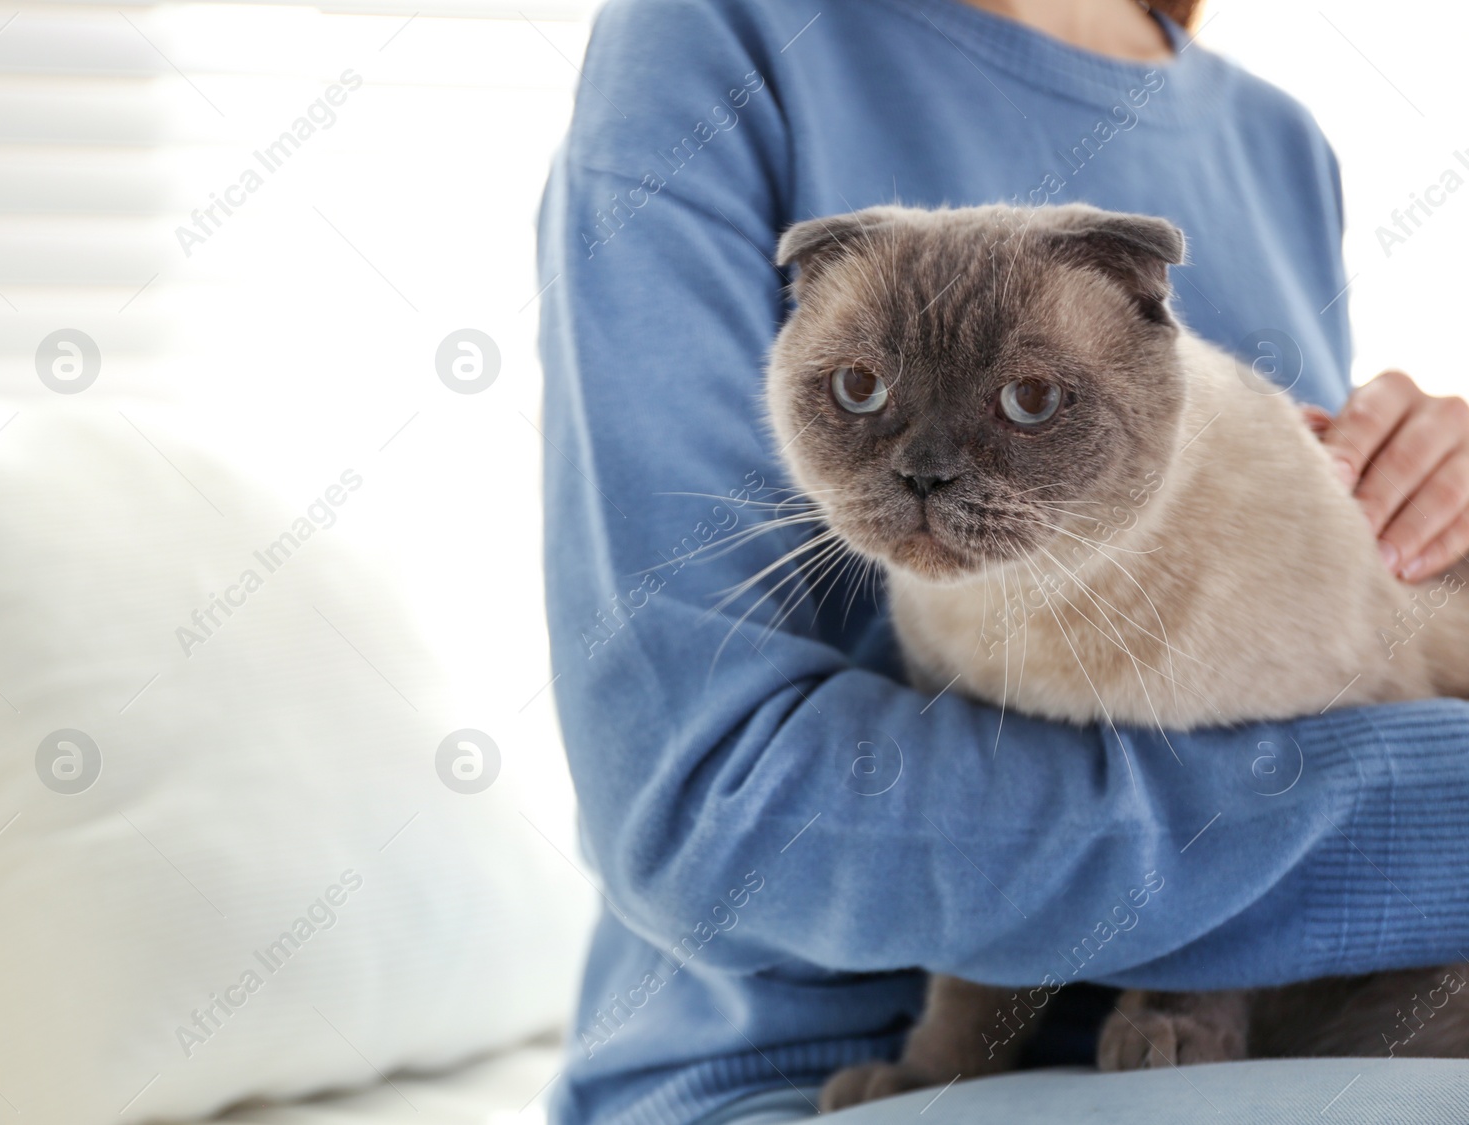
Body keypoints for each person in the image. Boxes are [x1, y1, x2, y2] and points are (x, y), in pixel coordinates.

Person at [534, 1, 1469, 1122]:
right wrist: (1430, 821)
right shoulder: (722, 34)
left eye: (1028, 402)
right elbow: (709, 808)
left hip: (1287, 1034)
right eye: (861, 397)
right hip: (822, 1069)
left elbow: (1301, 679)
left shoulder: (1277, 138)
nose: (929, 469)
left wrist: (1420, 509)